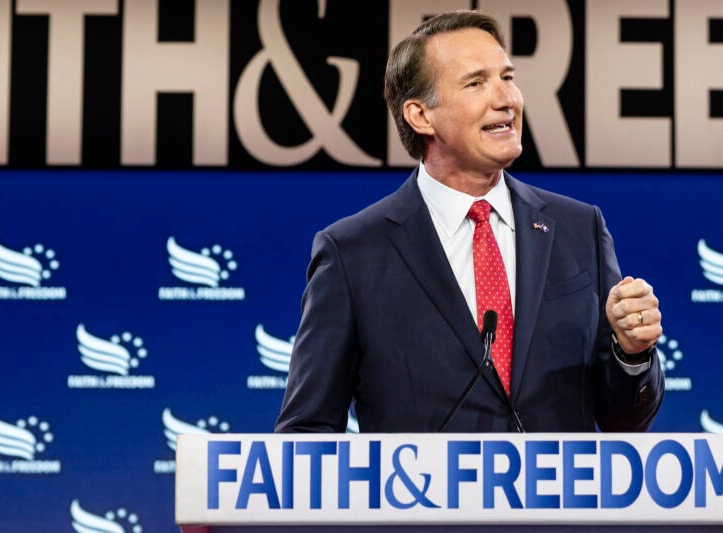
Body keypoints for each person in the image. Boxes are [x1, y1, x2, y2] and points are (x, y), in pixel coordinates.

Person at [275, 10, 663, 433]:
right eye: (477, 83)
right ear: (421, 116)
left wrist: (631, 353)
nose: (507, 99)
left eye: (508, 78)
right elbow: (307, 434)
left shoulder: (579, 229)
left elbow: (623, 420)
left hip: (556, 501)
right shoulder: (353, 254)